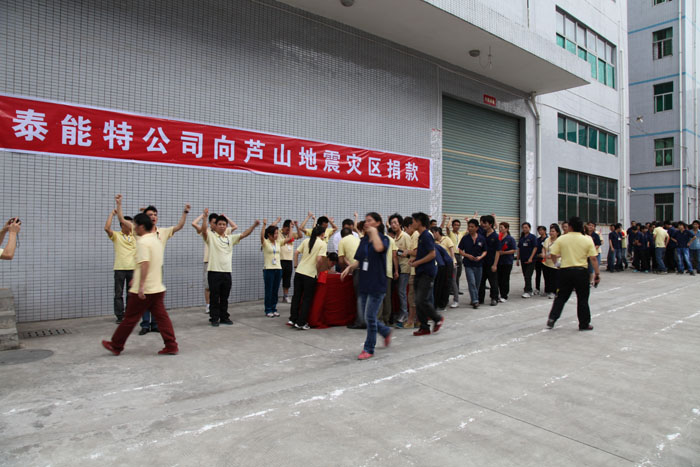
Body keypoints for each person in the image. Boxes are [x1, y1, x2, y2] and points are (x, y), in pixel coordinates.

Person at [102, 213, 179, 356]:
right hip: (157, 288)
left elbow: (145, 264)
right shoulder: (156, 240)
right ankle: (171, 345)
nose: (134, 228)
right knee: (162, 318)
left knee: (130, 318)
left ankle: (116, 345)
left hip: (145, 290)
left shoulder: (143, 242)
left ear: (142, 226)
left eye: (135, 225)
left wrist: (141, 285)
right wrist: (136, 279)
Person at [116, 196, 190, 335]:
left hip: (156, 270)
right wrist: (119, 204)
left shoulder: (162, 232)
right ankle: (145, 325)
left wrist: (185, 212)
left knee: (154, 298)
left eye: (155, 214)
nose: (153, 217)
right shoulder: (139, 231)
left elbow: (179, 226)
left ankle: (155, 325)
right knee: (143, 297)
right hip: (142, 268)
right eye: (150, 215)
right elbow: (122, 220)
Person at [341, 213, 392, 360]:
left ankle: (369, 348)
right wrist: (349, 267)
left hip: (377, 283)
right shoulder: (363, 240)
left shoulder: (383, 239)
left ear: (378, 223)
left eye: (370, 221)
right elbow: (360, 259)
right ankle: (385, 331)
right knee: (365, 317)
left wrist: (374, 232)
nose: (366, 223)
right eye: (366, 220)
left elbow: (379, 248)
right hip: (364, 282)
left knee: (369, 317)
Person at [201, 210, 259, 326]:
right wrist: (205, 217)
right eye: (219, 224)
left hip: (227, 272)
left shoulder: (230, 238)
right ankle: (214, 318)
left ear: (226, 226)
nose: (222, 226)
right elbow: (203, 231)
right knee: (214, 297)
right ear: (215, 226)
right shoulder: (211, 236)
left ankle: (224, 317)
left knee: (224, 297)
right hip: (214, 272)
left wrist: (254, 226)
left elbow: (244, 234)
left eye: (224, 224)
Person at [546, 217, 599, 331]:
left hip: (565, 271)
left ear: (570, 226)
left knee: (561, 297)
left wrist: (557, 264)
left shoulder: (562, 238)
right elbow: (593, 258)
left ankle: (552, 318)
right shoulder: (587, 239)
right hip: (581, 271)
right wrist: (597, 274)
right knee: (582, 299)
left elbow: (552, 253)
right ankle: (584, 324)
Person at [191, 212, 236, 314]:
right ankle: (208, 305)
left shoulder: (224, 231)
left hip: (220, 263)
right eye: (214, 222)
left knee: (220, 288)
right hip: (209, 261)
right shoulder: (206, 231)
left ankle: (218, 307)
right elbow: (194, 223)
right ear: (210, 223)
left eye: (218, 222)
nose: (216, 224)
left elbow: (235, 226)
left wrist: (225, 217)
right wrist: (203, 216)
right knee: (208, 286)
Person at [409, 212, 444, 336]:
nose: (412, 223)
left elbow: (432, 254)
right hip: (420, 271)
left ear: (419, 222)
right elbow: (423, 253)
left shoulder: (427, 235)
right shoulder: (421, 236)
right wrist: (415, 259)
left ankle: (437, 318)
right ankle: (424, 327)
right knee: (418, 300)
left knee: (421, 299)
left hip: (427, 272)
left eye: (413, 221)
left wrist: (417, 262)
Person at [289, 226, 327, 330]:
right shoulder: (322, 244)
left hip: (299, 272)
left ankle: (293, 319)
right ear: (322, 234)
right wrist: (318, 271)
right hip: (310, 274)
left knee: (296, 296)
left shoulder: (306, 241)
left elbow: (296, 253)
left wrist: (295, 265)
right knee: (306, 299)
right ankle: (301, 322)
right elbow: (319, 260)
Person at [260, 218, 300, 317]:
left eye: (277, 233)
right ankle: (268, 310)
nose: (276, 235)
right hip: (268, 269)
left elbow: (290, 238)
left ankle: (274, 308)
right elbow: (262, 236)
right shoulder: (265, 243)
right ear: (269, 235)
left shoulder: (278, 242)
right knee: (269, 290)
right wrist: (264, 225)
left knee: (275, 290)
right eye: (275, 233)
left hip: (278, 268)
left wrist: (291, 226)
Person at [104, 204, 135, 324]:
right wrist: (112, 214)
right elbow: (107, 228)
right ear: (122, 224)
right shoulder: (117, 236)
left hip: (133, 269)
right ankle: (120, 316)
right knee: (118, 293)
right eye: (128, 223)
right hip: (120, 268)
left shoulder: (134, 236)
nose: (131, 226)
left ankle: (129, 314)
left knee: (131, 294)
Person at [458, 219, 487, 308]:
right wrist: (467, 255)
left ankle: (474, 298)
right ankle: (475, 301)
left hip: (479, 264)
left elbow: (485, 251)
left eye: (472, 227)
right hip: (468, 264)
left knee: (477, 283)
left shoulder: (481, 238)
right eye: (469, 226)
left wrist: (480, 257)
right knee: (471, 282)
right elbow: (460, 250)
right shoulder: (465, 238)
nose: (470, 228)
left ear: (477, 228)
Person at [338, 227, 363, 329]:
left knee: (359, 296)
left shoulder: (342, 241)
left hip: (357, 269)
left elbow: (340, 260)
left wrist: (344, 269)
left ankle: (360, 322)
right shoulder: (357, 239)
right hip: (366, 268)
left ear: (342, 236)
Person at [391, 214, 411, 328]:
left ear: (400, 224)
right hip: (397, 268)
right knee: (399, 292)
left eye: (395, 223)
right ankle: (402, 312)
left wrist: (398, 252)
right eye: (391, 223)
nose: (393, 225)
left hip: (405, 267)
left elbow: (410, 252)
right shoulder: (394, 238)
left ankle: (405, 315)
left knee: (402, 291)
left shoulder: (405, 236)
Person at [442, 215, 466, 299]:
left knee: (458, 274)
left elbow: (468, 230)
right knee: (452, 274)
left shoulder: (461, 234)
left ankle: (456, 289)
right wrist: (450, 219)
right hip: (453, 255)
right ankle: (450, 289)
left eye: (458, 225)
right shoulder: (450, 234)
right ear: (453, 226)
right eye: (455, 225)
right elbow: (447, 227)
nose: (457, 226)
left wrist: (468, 220)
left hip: (459, 255)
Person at [478, 215, 500, 306]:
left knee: (493, 282)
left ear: (490, 224)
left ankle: (494, 298)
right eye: (482, 223)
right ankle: (480, 299)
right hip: (482, 262)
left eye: (485, 223)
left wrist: (495, 264)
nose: (483, 225)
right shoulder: (482, 234)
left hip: (491, 262)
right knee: (481, 282)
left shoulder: (495, 236)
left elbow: (498, 251)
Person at [434, 225, 458, 308]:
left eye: (433, 233)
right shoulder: (434, 242)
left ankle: (456, 300)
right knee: (443, 283)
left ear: (437, 232)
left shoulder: (447, 239)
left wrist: (453, 262)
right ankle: (443, 301)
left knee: (452, 282)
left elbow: (452, 252)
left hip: (450, 264)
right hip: (442, 266)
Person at [280, 219, 303, 303]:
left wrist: (296, 226)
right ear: (283, 227)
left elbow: (300, 235)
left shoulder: (291, 233)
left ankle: (285, 296)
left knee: (287, 279)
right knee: (277, 279)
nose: (288, 232)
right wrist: (290, 227)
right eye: (287, 230)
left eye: (289, 230)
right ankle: (273, 296)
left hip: (289, 260)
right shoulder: (278, 233)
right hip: (280, 260)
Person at [379, 229, 399, 324]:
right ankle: (386, 319)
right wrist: (396, 271)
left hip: (378, 272)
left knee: (378, 296)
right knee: (387, 297)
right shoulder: (390, 240)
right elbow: (394, 256)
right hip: (388, 271)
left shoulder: (375, 239)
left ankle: (379, 319)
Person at [430, 227, 453, 312]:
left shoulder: (434, 246)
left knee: (443, 285)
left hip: (445, 266)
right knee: (440, 285)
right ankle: (439, 303)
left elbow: (441, 261)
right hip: (442, 265)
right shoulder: (435, 244)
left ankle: (441, 304)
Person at [495, 222, 516, 302]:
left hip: (507, 262)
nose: (500, 229)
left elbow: (514, 250)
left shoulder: (510, 239)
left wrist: (504, 252)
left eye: (502, 227)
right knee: (498, 279)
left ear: (506, 229)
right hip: (498, 261)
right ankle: (499, 294)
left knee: (505, 279)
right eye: (499, 227)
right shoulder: (498, 238)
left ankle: (504, 295)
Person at [517, 222, 538, 298]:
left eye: (526, 227)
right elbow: (519, 248)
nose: (524, 229)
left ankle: (528, 291)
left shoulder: (532, 237)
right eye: (523, 227)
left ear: (529, 228)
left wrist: (531, 258)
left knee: (528, 275)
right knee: (525, 275)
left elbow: (535, 248)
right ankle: (529, 289)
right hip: (523, 259)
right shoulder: (522, 238)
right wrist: (517, 259)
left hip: (531, 260)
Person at [540, 223, 560, 299]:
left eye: (553, 231)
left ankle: (554, 292)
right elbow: (544, 248)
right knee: (547, 277)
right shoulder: (547, 240)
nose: (551, 233)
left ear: (557, 232)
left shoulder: (559, 241)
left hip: (555, 263)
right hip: (546, 262)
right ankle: (547, 290)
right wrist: (543, 253)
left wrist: (553, 256)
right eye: (550, 231)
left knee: (554, 278)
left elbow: (562, 253)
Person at [534, 225, 548, 296]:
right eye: (539, 230)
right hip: (538, 259)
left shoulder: (547, 239)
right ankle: (537, 288)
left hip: (545, 259)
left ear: (545, 231)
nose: (540, 232)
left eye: (541, 230)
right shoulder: (538, 240)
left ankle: (546, 289)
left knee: (546, 274)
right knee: (538, 274)